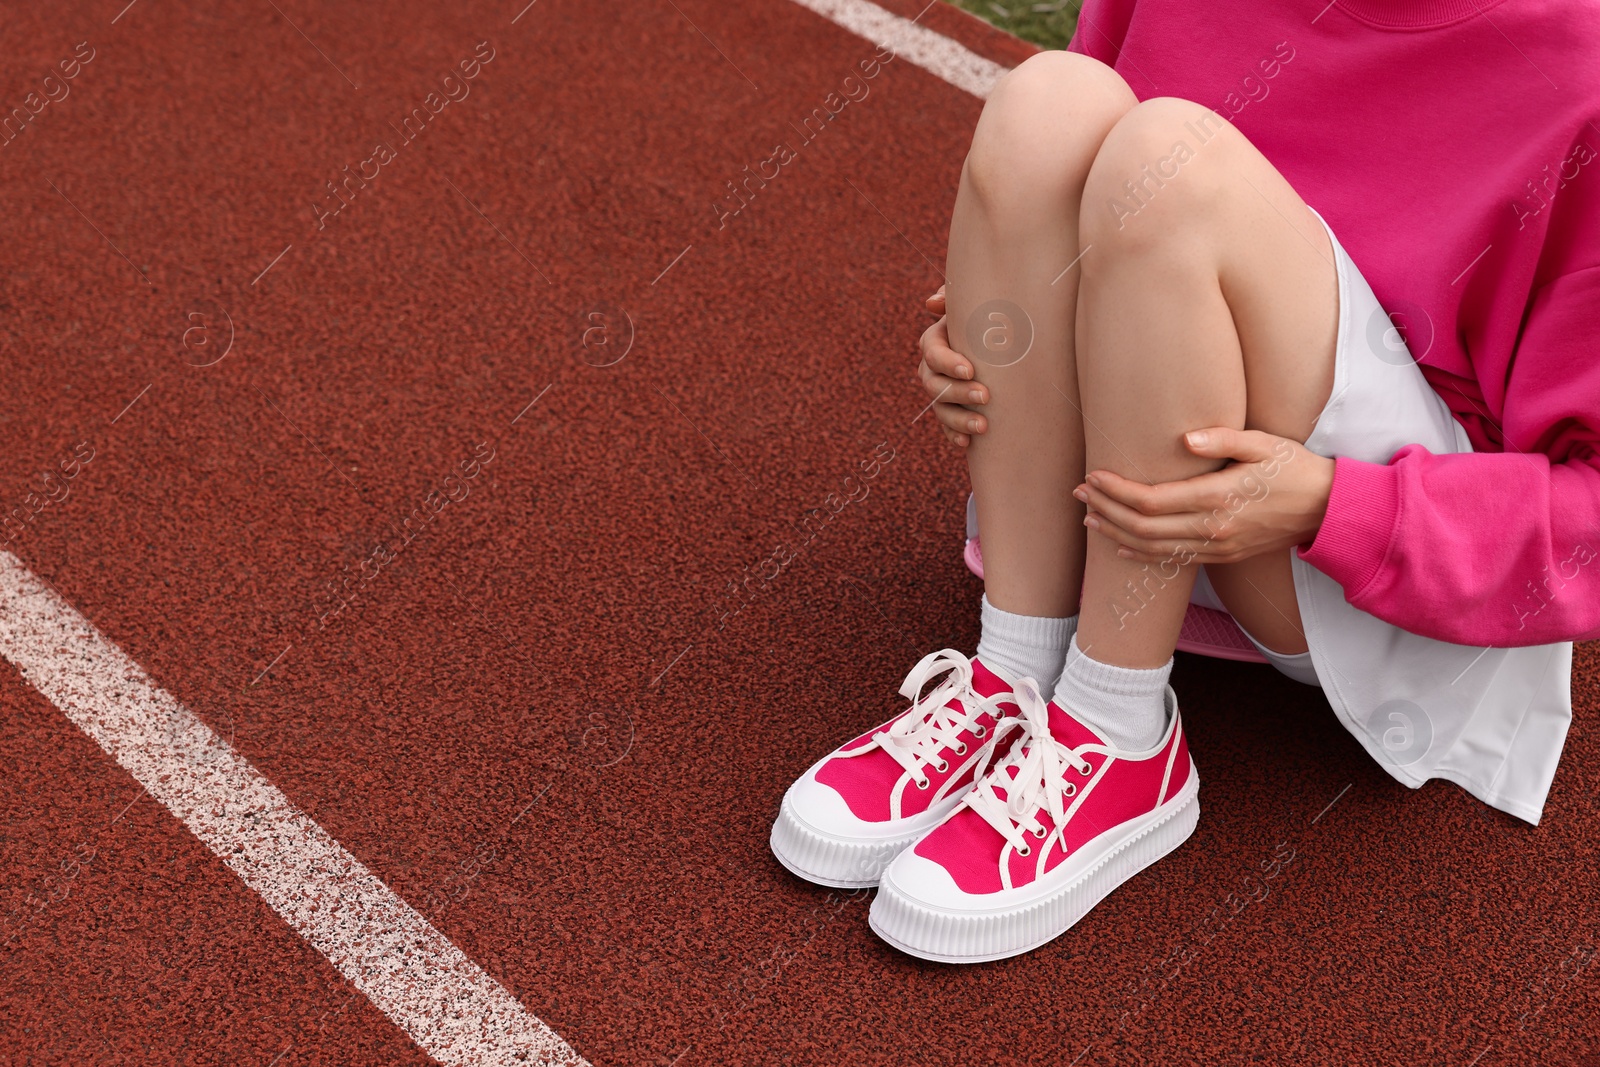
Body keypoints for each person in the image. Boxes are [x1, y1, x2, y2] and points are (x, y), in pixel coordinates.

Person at [771, 0, 1600, 963]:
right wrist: (998, 325)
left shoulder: (1574, 64)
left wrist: (1336, 504)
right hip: (1138, 486)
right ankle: (1017, 664)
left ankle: (1120, 729)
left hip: (1357, 569)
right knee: (1049, 104)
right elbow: (1074, 199)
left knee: (1174, 155)